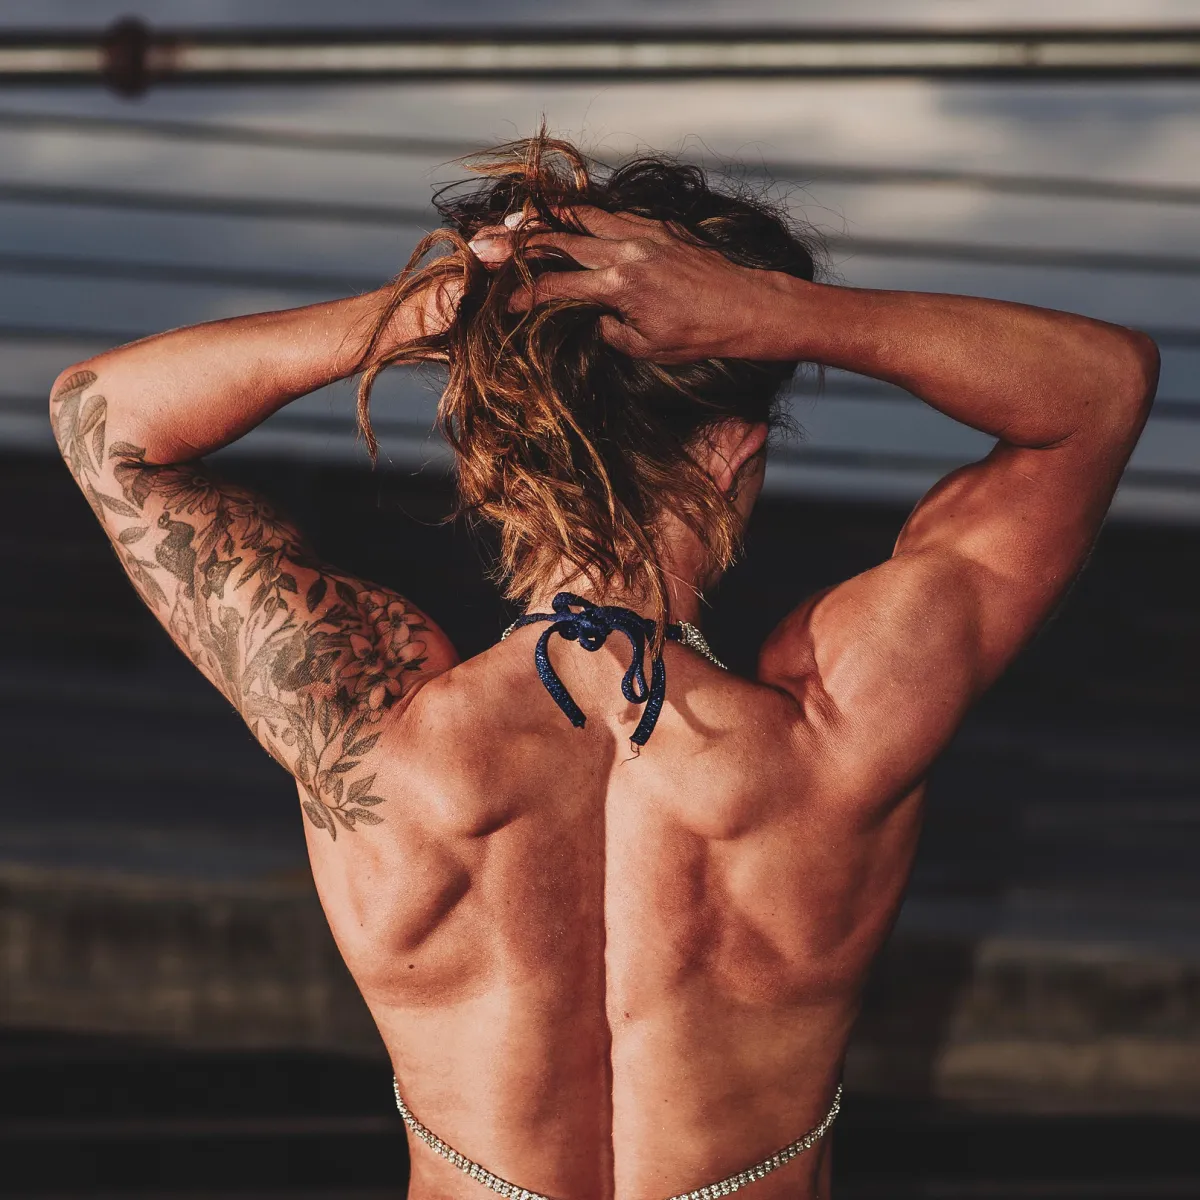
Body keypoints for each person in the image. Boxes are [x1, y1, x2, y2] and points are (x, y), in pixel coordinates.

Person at [49, 134, 1157, 1200]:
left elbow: (105, 419)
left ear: (482, 462)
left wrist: (431, 311)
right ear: (734, 454)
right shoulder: (839, 728)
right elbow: (1101, 388)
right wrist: (781, 315)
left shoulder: (373, 723)